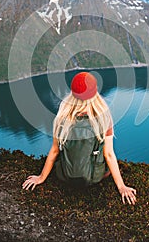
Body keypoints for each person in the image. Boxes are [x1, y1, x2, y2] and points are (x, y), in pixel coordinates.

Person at [22, 72, 137, 205]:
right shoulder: (103, 118)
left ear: (73, 93)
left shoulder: (62, 118)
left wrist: (41, 178)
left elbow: (54, 151)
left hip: (65, 176)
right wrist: (122, 187)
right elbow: (109, 155)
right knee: (105, 164)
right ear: (95, 93)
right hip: (95, 177)